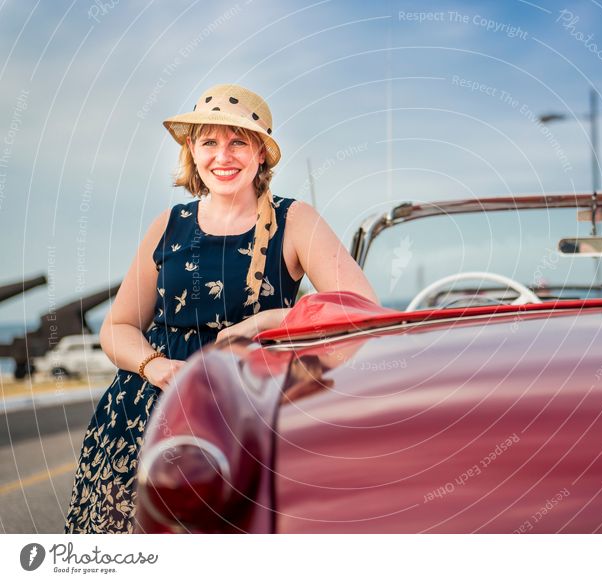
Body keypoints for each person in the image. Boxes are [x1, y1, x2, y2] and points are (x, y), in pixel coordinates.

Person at [64, 84, 378, 533]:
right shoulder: (167, 226)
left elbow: (359, 311)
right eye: (209, 142)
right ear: (192, 150)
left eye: (238, 142)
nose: (222, 156)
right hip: (142, 422)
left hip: (254, 423)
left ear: (261, 154)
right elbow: (117, 326)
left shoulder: (295, 221)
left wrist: (270, 321)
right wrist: (154, 366)